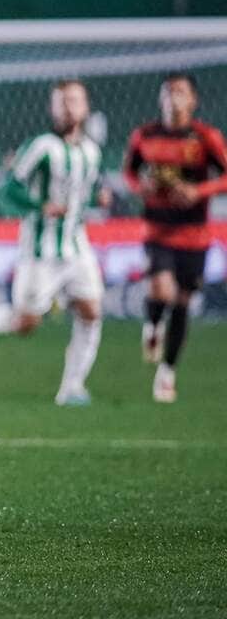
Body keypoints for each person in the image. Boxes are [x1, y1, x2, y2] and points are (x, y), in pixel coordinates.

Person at [0, 80, 111, 406]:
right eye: (62, 101)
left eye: (75, 100)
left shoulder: (91, 151)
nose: (69, 106)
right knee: (25, 323)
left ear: (85, 106)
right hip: (39, 252)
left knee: (92, 311)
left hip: (77, 247)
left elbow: (91, 187)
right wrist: (40, 206)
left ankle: (72, 388)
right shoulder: (41, 147)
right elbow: (8, 188)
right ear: (53, 108)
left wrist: (101, 195)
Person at [123, 73, 227, 402]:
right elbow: (128, 172)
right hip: (157, 230)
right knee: (162, 290)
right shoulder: (144, 136)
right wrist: (142, 187)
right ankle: (152, 324)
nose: (173, 99)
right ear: (160, 100)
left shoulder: (205, 138)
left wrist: (199, 190)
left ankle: (166, 373)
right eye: (168, 93)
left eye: (181, 93)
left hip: (194, 234)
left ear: (193, 100)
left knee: (182, 303)